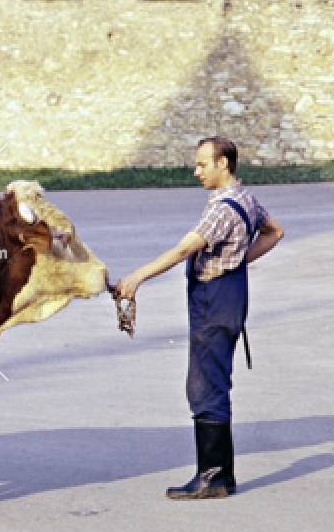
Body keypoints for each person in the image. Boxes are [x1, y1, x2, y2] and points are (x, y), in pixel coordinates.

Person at [115, 136, 284, 499]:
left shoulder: (222, 208)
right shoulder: (246, 198)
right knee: (215, 379)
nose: (197, 172)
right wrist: (238, 261)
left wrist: (136, 278)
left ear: (223, 164)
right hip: (233, 295)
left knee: (205, 385)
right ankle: (223, 474)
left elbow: (182, 250)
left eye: (203, 165)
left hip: (214, 300)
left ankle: (213, 477)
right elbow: (274, 232)